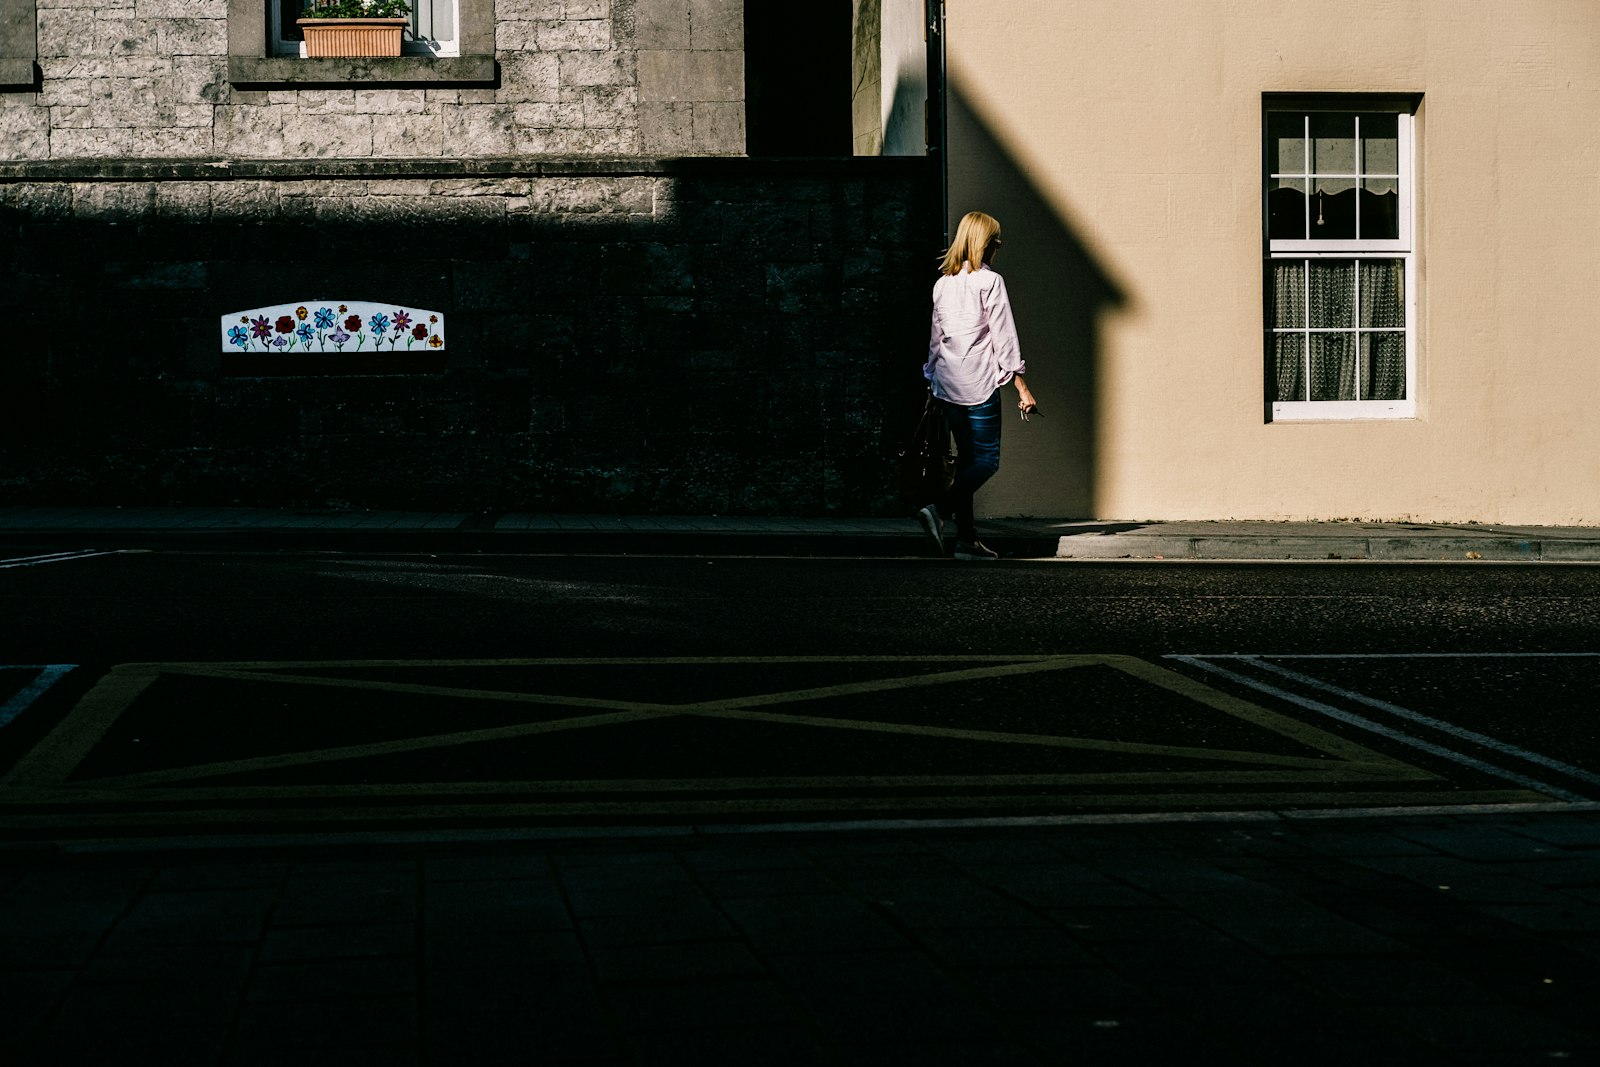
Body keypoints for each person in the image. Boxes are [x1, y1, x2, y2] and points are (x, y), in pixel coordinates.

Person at [916, 210, 1038, 560]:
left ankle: (967, 541)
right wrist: (1021, 386)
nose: (998, 246)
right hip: (980, 385)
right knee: (986, 461)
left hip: (948, 385)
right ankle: (938, 511)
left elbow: (936, 340)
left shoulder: (942, 284)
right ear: (985, 243)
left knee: (968, 461)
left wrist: (932, 378)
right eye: (996, 240)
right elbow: (1004, 336)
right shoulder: (990, 282)